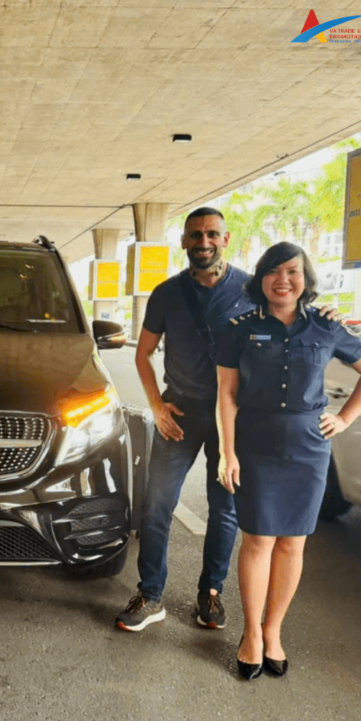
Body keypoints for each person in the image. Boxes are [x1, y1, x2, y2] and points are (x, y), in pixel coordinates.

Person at [216, 242, 361, 679]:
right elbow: (228, 396)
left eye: (292, 271)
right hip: (255, 445)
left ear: (306, 279)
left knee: (292, 543)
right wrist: (227, 452)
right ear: (260, 279)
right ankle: (251, 634)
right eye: (273, 271)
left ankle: (274, 631)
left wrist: (345, 418)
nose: (282, 279)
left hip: (309, 451)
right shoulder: (237, 328)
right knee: (258, 541)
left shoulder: (327, 328)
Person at [116, 207, 255, 632]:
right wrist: (156, 406)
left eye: (212, 234)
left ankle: (211, 593)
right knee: (157, 504)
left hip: (230, 417)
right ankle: (151, 594)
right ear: (183, 242)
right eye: (195, 235)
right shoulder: (166, 294)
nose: (204, 242)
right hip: (179, 412)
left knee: (224, 509)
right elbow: (142, 355)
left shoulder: (251, 289)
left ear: (226, 239)